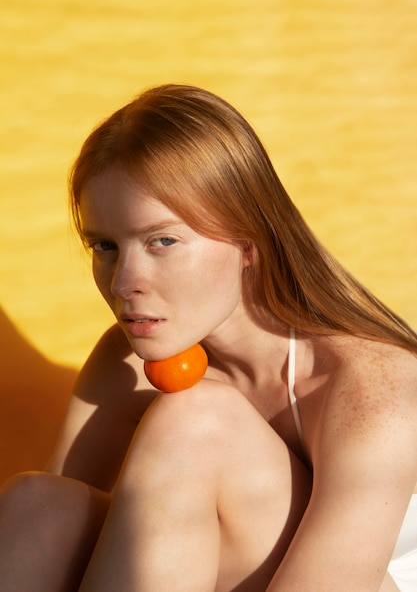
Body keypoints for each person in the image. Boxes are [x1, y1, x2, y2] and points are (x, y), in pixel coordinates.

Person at [0, 84, 416, 592]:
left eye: (163, 241)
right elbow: (55, 549)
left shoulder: (376, 387)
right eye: (105, 245)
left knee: (197, 420)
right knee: (37, 503)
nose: (123, 280)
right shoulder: (125, 362)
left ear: (249, 241)